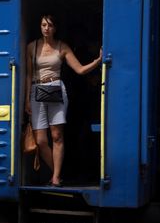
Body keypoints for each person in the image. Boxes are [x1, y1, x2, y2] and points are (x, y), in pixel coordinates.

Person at [25, 14, 102, 187]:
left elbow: (80, 70)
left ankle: (56, 178)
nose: (46, 28)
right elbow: (29, 75)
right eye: (43, 25)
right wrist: (26, 100)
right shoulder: (32, 47)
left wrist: (98, 61)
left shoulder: (62, 47)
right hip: (37, 89)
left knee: (57, 135)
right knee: (41, 140)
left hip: (56, 89)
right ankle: (60, 172)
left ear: (55, 28)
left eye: (50, 25)